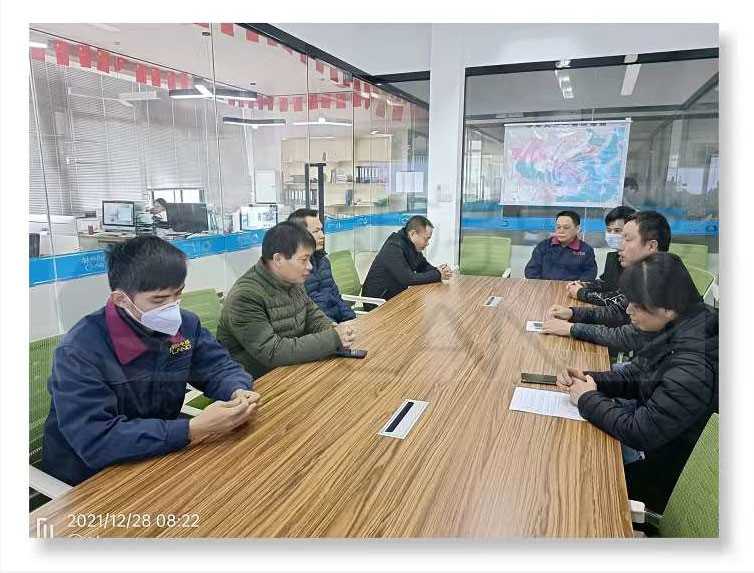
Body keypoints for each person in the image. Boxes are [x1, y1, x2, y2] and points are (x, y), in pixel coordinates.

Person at [42, 236, 259, 486]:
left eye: (178, 294)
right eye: (159, 300)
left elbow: (218, 367)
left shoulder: (185, 325)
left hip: (159, 453)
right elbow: (96, 439)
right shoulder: (80, 351)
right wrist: (192, 429)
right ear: (121, 299)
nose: (172, 307)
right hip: (91, 476)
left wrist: (237, 390)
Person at [556, 252, 718, 512]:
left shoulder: (693, 366)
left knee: (568, 480)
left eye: (638, 305)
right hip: (657, 439)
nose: (628, 310)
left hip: (661, 474)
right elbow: (636, 374)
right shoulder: (678, 324)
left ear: (668, 308)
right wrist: (590, 378)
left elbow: (639, 432)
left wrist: (588, 399)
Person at [216, 221, 355, 378]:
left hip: (290, 369)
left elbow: (313, 317)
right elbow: (273, 352)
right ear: (278, 259)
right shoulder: (245, 297)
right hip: (252, 381)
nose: (310, 266)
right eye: (303, 260)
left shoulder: (293, 281)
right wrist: (332, 338)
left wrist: (334, 329)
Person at [542, 211, 671, 354]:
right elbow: (617, 311)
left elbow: (628, 337)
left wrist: (571, 328)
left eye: (627, 239)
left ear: (651, 246)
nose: (620, 245)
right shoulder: (645, 273)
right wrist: (572, 313)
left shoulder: (661, 279)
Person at [362, 215, 452, 308]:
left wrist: (440, 270)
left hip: (394, 297)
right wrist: (438, 274)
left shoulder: (411, 245)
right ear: (413, 234)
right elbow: (408, 279)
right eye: (426, 239)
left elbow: (423, 266)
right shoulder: (393, 247)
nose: (427, 243)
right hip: (377, 303)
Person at [287, 208, 356, 324]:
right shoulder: (290, 270)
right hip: (319, 328)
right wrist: (333, 327)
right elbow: (306, 315)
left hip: (337, 324)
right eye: (316, 231)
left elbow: (336, 297)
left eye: (321, 230)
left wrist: (352, 320)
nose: (322, 235)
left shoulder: (323, 261)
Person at [565, 205, 636, 305]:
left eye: (617, 231)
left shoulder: (638, 261)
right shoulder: (612, 257)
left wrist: (581, 293)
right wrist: (585, 285)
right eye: (609, 230)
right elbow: (606, 284)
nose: (611, 234)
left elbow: (621, 301)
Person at [524, 210, 597, 281]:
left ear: (577, 229)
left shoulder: (586, 250)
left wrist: (577, 285)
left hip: (572, 287)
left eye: (566, 227)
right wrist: (542, 285)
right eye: (558, 227)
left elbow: (590, 274)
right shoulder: (543, 246)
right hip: (545, 286)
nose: (561, 231)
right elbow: (531, 271)